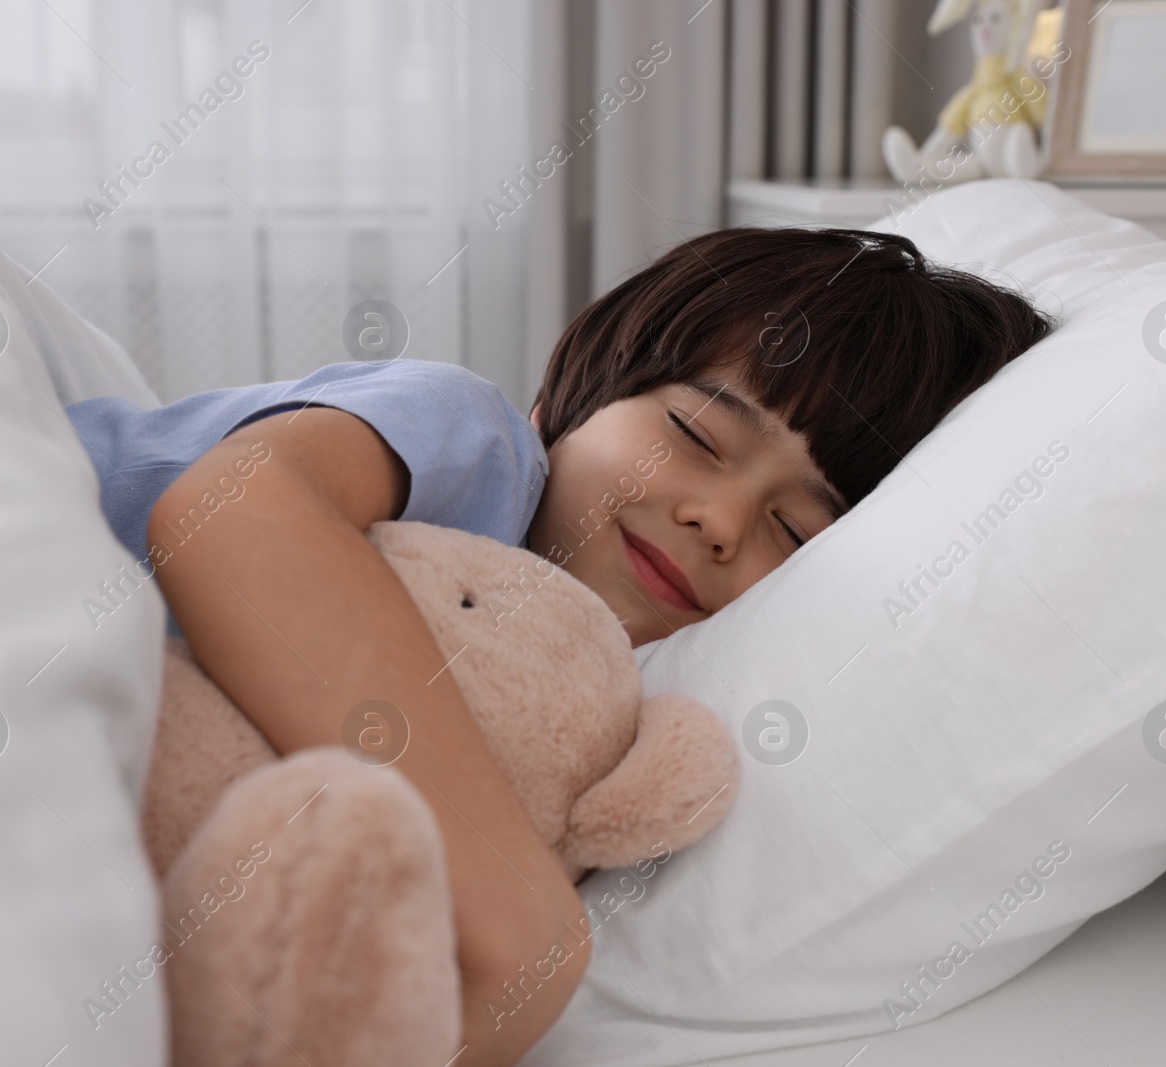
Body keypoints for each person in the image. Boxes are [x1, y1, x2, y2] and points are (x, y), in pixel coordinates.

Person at [65, 226, 1052, 1065]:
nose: (717, 517)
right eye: (698, 434)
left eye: (795, 530)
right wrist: (527, 927)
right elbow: (233, 512)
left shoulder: (587, 707)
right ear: (569, 396)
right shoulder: (475, 444)